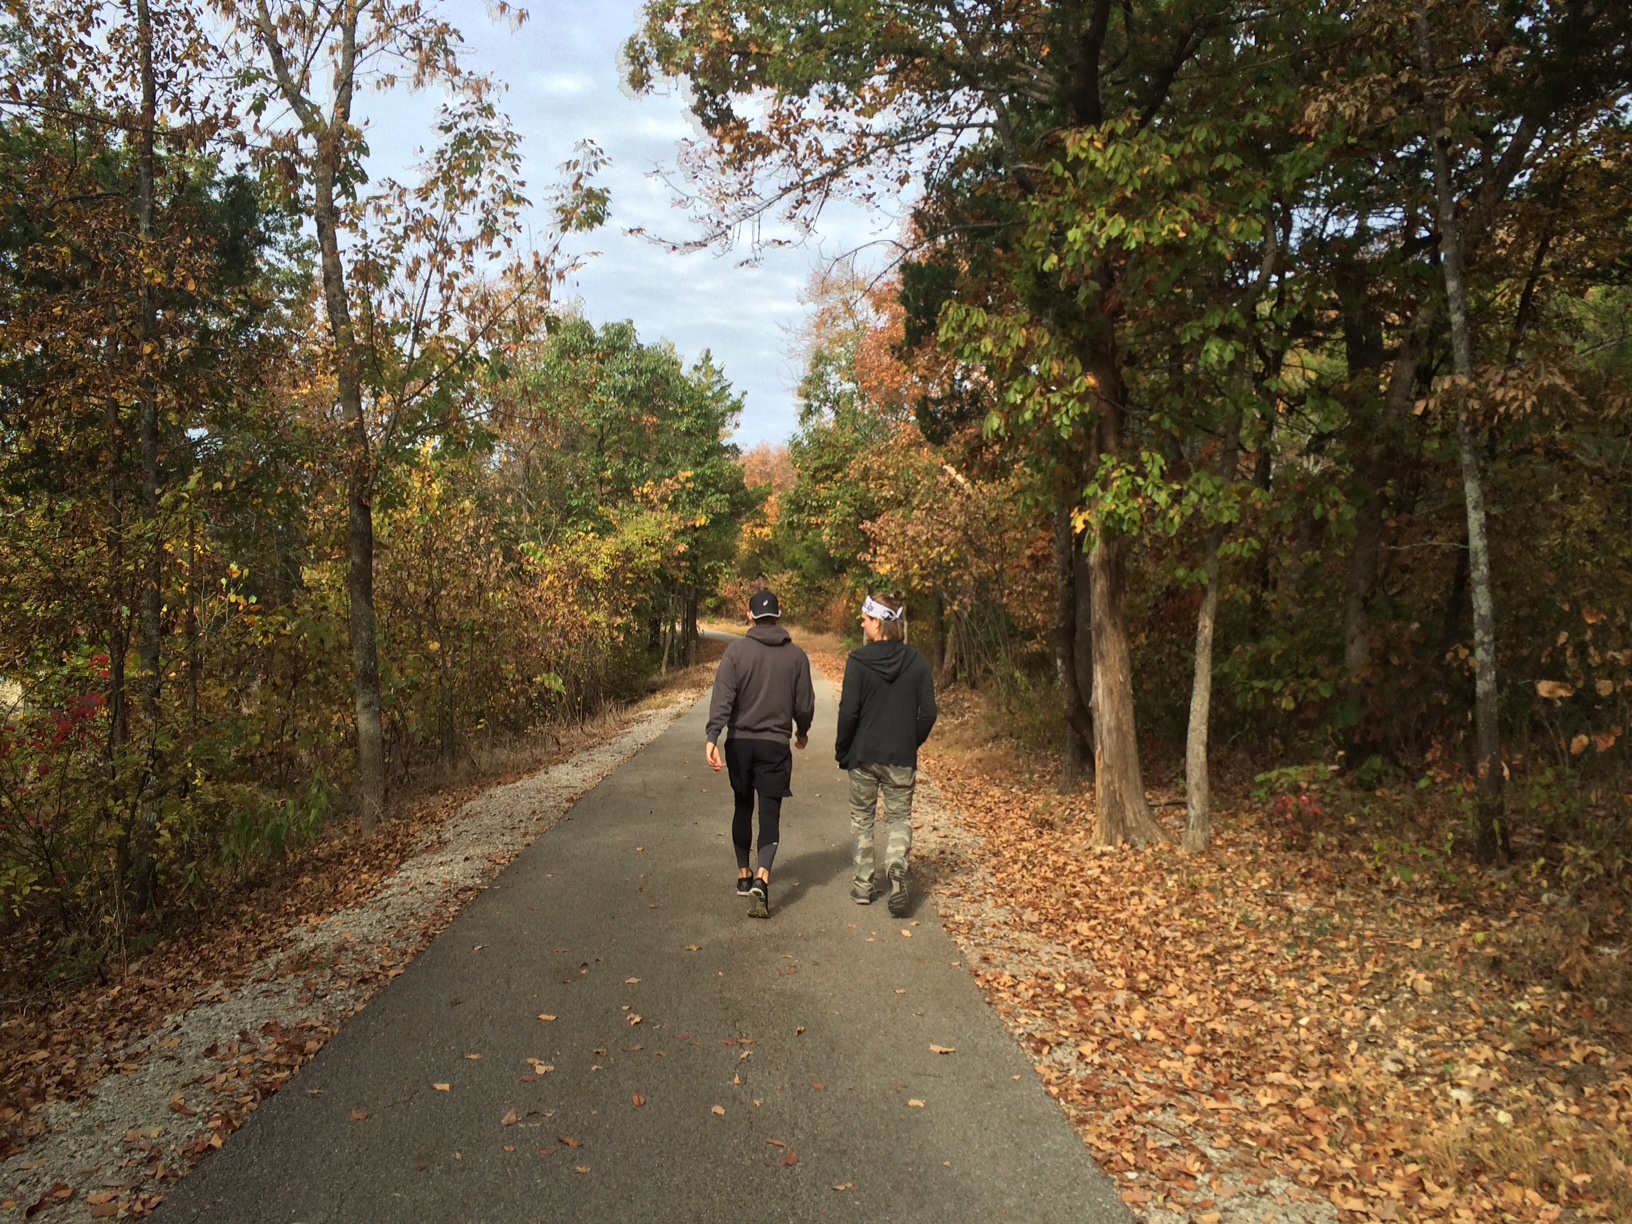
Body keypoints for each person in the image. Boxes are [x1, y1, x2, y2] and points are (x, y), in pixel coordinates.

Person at [705, 589, 814, 919]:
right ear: (779, 614)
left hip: (739, 743)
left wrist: (713, 734)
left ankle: (743, 875)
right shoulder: (796, 656)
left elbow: (723, 697)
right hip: (775, 745)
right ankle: (763, 879)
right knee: (770, 813)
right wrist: (803, 731)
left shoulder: (736, 653)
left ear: (749, 616)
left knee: (742, 805)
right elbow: (804, 704)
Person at [835, 592, 937, 916]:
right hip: (900, 757)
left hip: (863, 756)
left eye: (865, 618)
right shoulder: (917, 661)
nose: (862, 624)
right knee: (899, 818)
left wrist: (843, 749)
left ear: (878, 622)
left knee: (862, 819)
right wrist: (911, 741)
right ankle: (895, 863)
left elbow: (848, 713)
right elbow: (929, 713)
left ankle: (863, 887)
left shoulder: (858, 661)